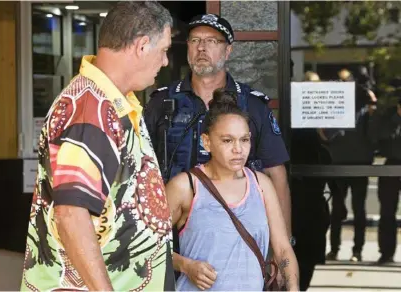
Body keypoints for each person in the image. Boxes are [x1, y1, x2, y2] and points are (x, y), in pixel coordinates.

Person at [20, 2, 175, 291]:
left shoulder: (111, 101)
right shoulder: (91, 110)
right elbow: (72, 214)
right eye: (164, 50)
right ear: (142, 46)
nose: (165, 61)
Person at [144, 13, 292, 238]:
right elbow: (141, 170)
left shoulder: (252, 105)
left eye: (212, 41)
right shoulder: (162, 102)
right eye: (195, 41)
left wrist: (283, 241)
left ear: (228, 50)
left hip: (240, 232)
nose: (202, 48)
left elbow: (276, 174)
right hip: (172, 234)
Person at [165, 89, 299, 291]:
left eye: (244, 140)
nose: (238, 149)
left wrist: (293, 288)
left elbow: (282, 249)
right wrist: (185, 265)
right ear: (206, 142)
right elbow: (148, 247)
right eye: (227, 140)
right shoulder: (186, 187)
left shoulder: (261, 185)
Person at [323, 69, 376, 262]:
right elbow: (326, 136)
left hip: (360, 164)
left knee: (358, 209)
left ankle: (357, 251)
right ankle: (335, 248)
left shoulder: (365, 111)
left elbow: (374, 134)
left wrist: (372, 101)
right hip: (339, 164)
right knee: (337, 209)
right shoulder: (333, 109)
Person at [292, 71, 330, 290]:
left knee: (307, 255)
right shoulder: (294, 113)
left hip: (312, 197)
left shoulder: (317, 111)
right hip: (299, 194)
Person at [369, 96, 401, 264]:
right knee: (387, 212)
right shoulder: (389, 119)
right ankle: (386, 252)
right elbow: (384, 140)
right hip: (392, 165)